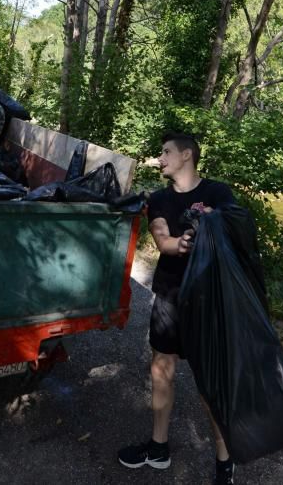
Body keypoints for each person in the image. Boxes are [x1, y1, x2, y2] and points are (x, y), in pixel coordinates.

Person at [117, 132, 237, 485]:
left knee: (207, 382)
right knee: (161, 367)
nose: (161, 157)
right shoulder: (159, 198)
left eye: (166, 151)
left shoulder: (218, 193)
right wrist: (181, 242)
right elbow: (162, 239)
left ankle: (225, 462)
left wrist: (213, 226)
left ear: (187, 155)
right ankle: (158, 447)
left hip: (207, 301)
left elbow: (235, 231)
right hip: (170, 294)